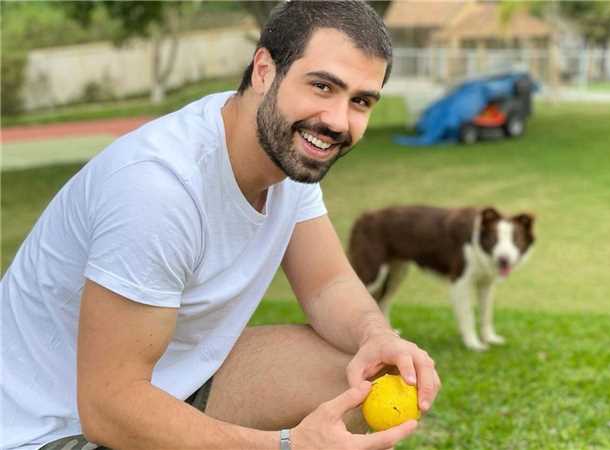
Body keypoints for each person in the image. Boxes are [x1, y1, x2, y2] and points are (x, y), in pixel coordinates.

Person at [1, 2, 441, 449]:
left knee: (360, 373)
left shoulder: (284, 153)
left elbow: (327, 284)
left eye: (360, 101)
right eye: (322, 86)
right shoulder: (159, 188)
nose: (337, 121)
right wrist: (288, 445)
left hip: (167, 386)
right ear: (264, 70)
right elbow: (109, 409)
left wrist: (378, 337)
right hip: (50, 430)